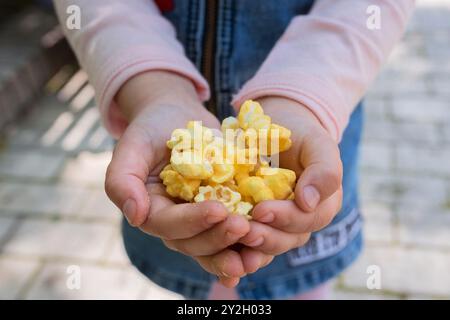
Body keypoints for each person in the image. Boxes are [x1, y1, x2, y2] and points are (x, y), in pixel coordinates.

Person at [53, 0, 415, 299]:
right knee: (202, 286)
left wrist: (306, 96)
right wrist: (151, 90)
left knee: (301, 289)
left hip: (315, 139)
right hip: (160, 162)